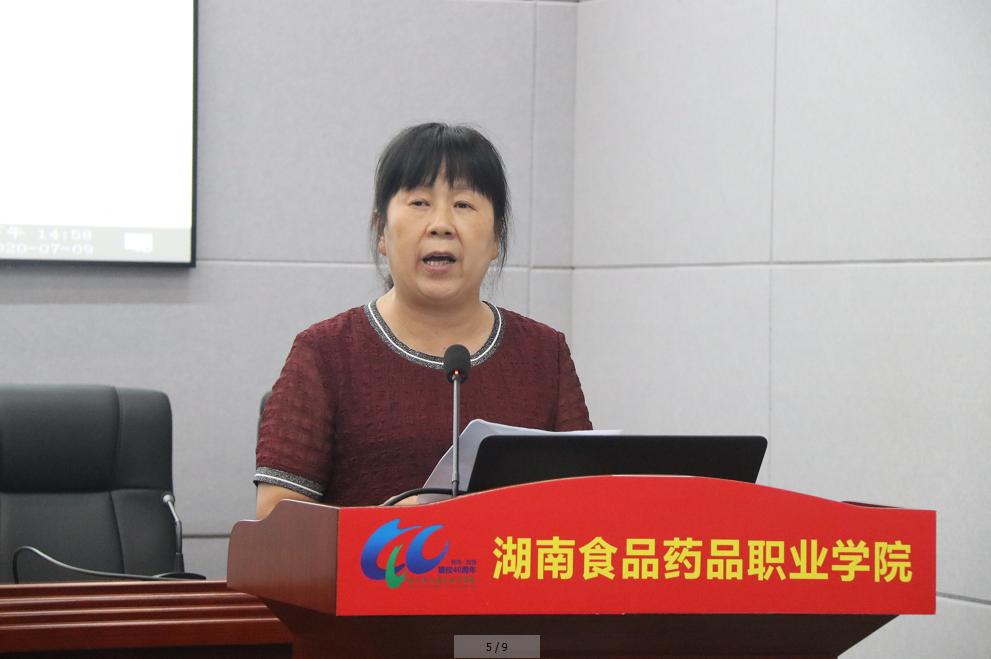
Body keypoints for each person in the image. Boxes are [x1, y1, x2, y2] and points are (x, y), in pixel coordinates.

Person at [254, 123, 591, 519]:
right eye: (419, 203)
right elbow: (274, 517)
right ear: (381, 232)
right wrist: (390, 523)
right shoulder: (326, 353)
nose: (441, 224)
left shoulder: (544, 355)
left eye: (463, 205)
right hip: (377, 561)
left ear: (496, 238)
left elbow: (590, 501)